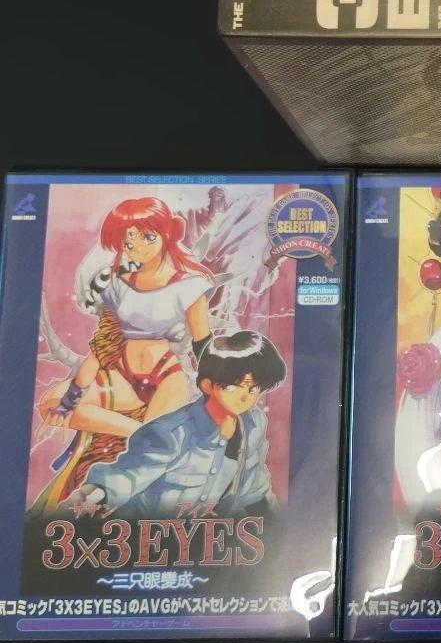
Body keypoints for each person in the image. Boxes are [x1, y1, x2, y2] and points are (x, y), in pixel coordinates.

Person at [33, 197, 216, 509]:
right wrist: (72, 397)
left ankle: (146, 441)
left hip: (165, 377)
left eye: (147, 237)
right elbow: (101, 346)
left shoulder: (190, 285)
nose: (137, 247)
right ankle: (139, 431)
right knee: (52, 403)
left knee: (152, 452)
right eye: (129, 240)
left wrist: (214, 389)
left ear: (166, 235)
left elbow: (203, 345)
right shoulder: (117, 285)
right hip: (121, 374)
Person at [63, 330, 286, 517]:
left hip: (208, 541)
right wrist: (94, 494)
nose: (245, 397)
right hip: (149, 538)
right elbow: (128, 475)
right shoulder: (171, 432)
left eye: (254, 388)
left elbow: (253, 488)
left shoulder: (253, 424)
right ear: (207, 385)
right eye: (232, 387)